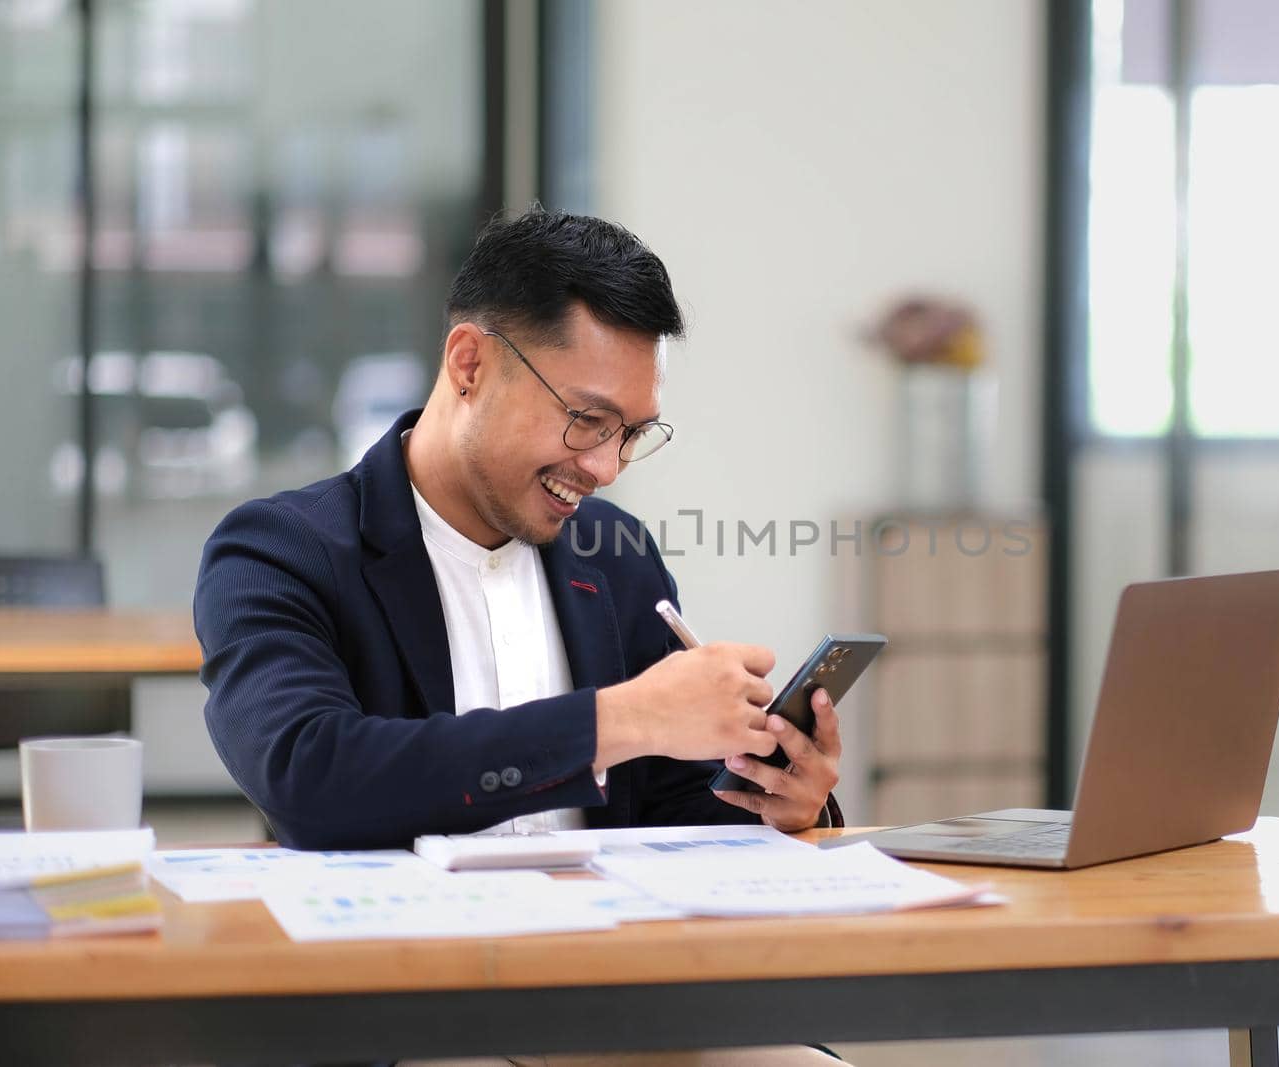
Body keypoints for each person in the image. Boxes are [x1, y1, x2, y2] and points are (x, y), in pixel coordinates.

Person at [194, 208, 848, 1065]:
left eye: (631, 434)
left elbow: (677, 805)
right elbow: (310, 774)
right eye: (586, 419)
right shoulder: (282, 550)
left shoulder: (616, 558)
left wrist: (781, 802)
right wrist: (619, 720)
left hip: (617, 996)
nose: (606, 465)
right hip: (407, 1009)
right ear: (470, 364)